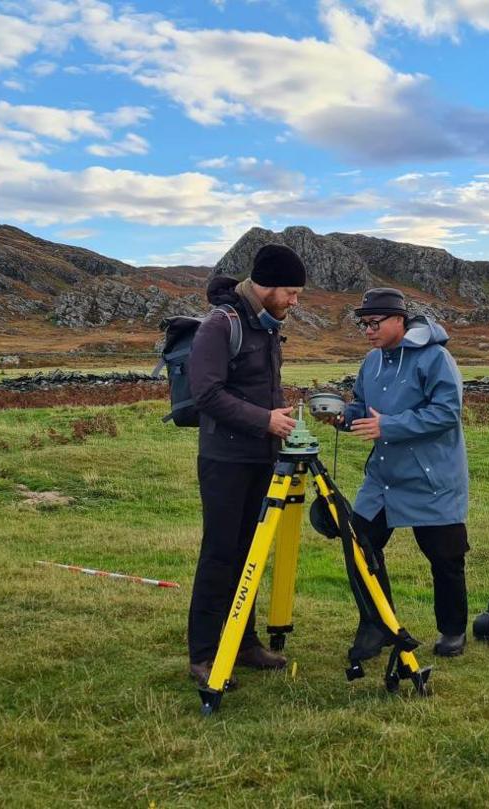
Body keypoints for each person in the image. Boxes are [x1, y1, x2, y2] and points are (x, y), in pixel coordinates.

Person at [319, 287, 471, 657]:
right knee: (361, 548)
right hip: (383, 480)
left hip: (432, 478)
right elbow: (363, 410)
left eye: (375, 323)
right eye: (364, 324)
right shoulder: (371, 362)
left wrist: (390, 426)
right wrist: (342, 417)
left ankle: (452, 631)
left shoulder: (436, 358)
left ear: (399, 320)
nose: (369, 330)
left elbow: (447, 412)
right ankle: (378, 624)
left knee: (445, 558)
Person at [185, 244, 305, 688]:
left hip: (262, 458)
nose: (295, 301)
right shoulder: (221, 325)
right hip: (224, 461)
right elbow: (207, 394)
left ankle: (245, 642)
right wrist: (265, 419)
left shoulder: (268, 325)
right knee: (219, 553)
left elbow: (255, 387)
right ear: (267, 285)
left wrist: (278, 417)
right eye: (290, 292)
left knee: (251, 553)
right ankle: (204, 655)